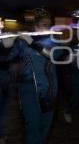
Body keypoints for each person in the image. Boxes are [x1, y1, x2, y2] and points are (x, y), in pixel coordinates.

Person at [3, 8, 60, 144]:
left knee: (45, 125)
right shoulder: (22, 42)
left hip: (49, 88)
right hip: (28, 88)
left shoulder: (54, 41)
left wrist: (32, 43)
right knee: (32, 125)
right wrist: (7, 45)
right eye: (42, 24)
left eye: (48, 24)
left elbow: (51, 55)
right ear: (35, 26)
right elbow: (7, 57)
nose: (45, 27)